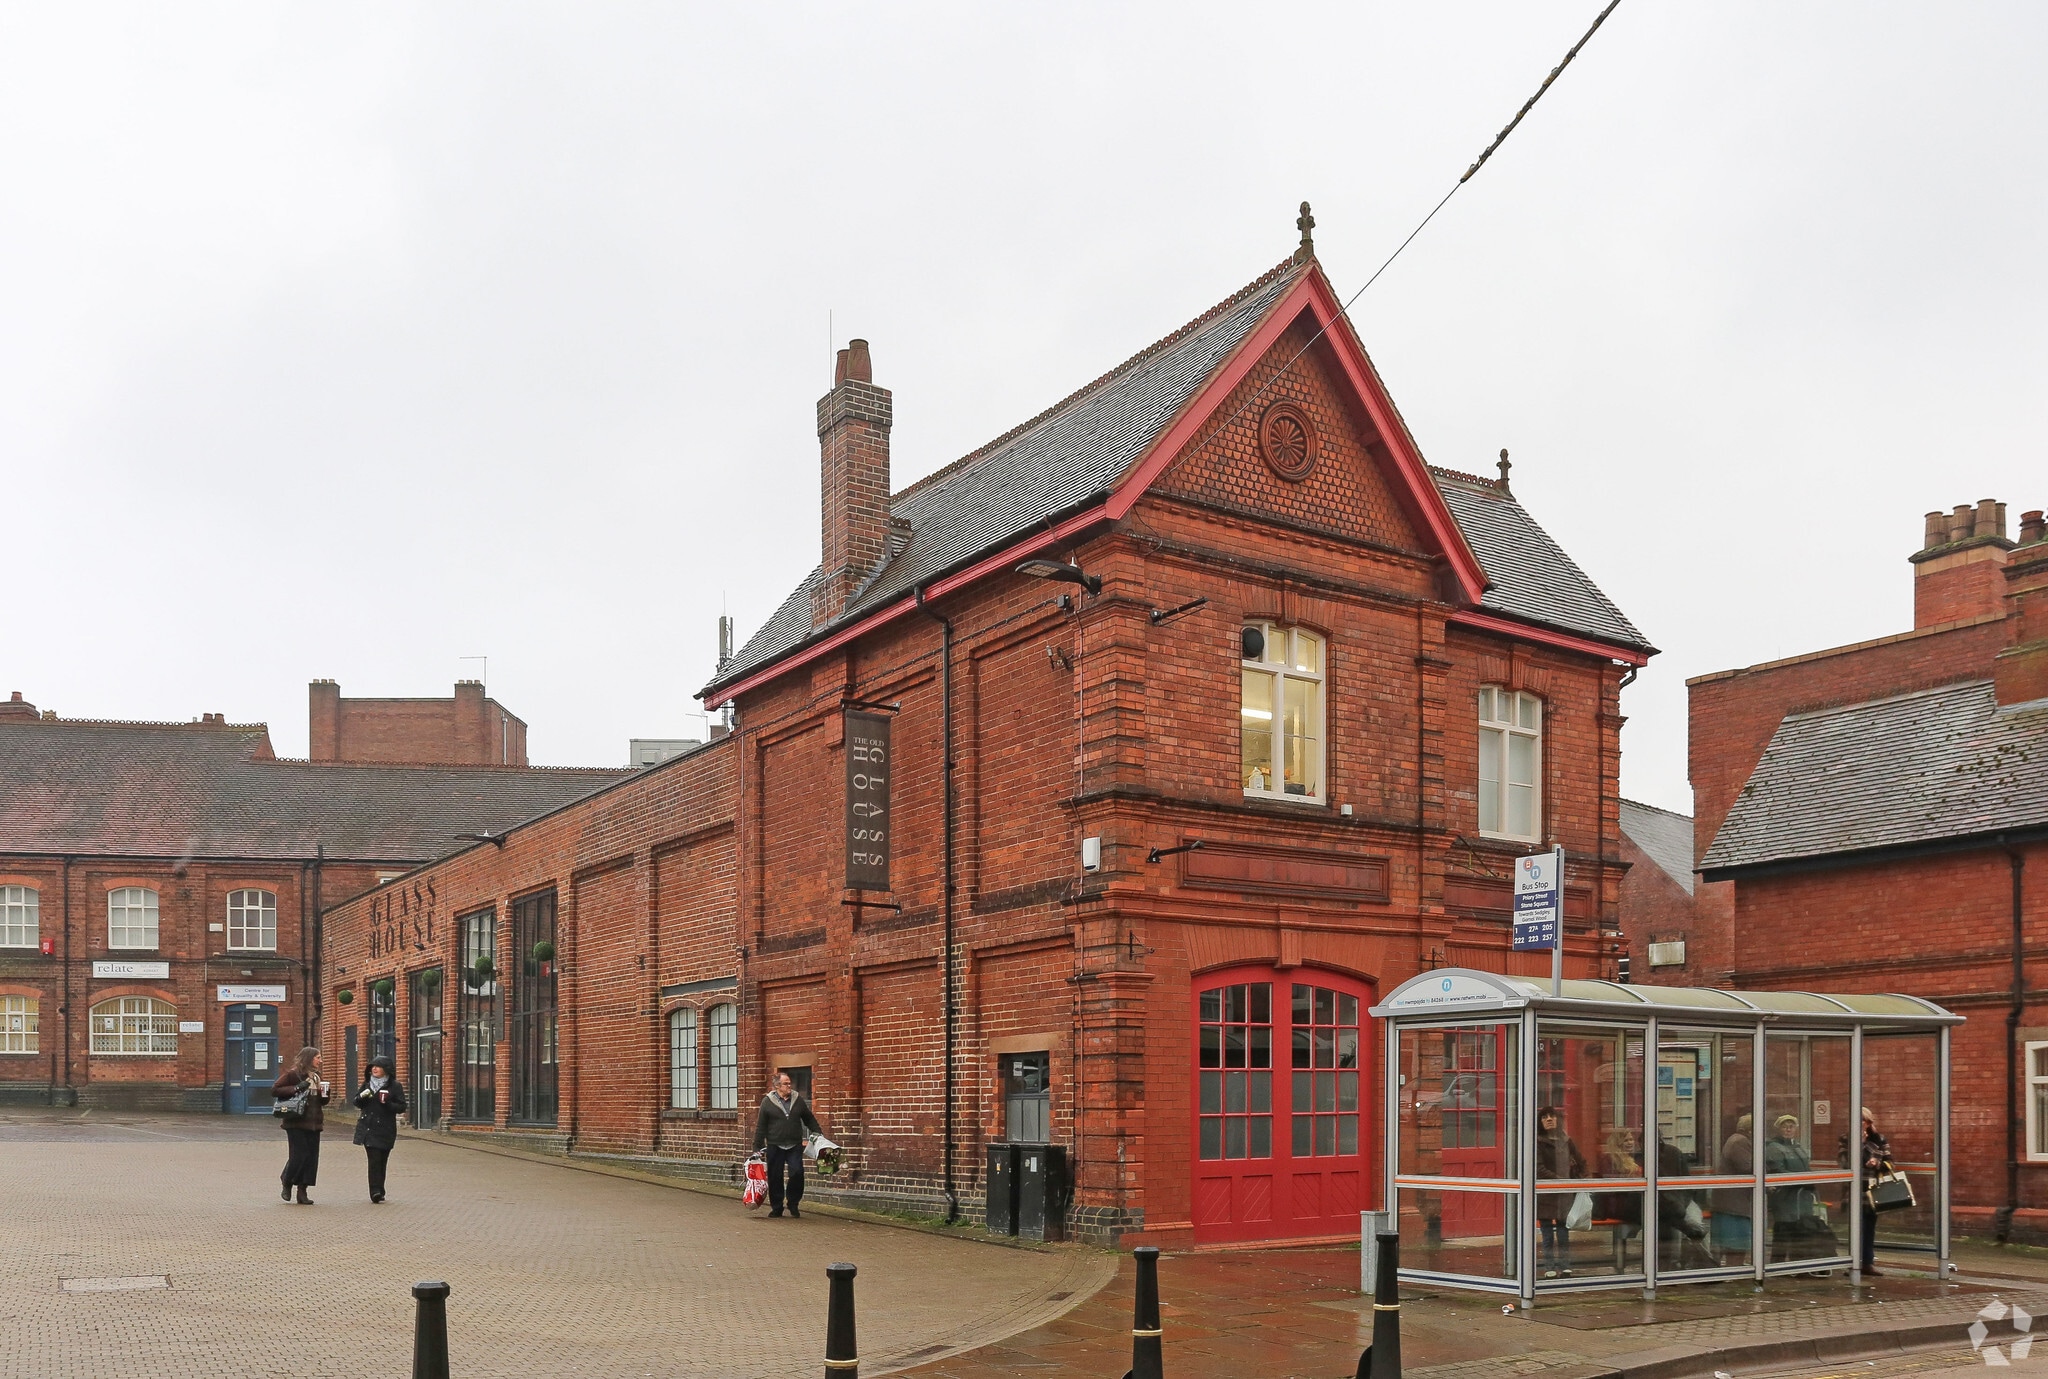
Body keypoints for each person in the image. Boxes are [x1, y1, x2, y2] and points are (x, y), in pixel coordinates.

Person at [752, 1070, 822, 1219]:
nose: (789, 1085)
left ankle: (793, 1203)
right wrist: (757, 1147)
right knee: (775, 1177)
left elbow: (809, 1118)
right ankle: (777, 1207)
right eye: (786, 1083)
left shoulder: (798, 1099)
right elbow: (761, 1126)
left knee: (797, 1173)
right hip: (775, 1145)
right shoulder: (767, 1102)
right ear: (777, 1086)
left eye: (790, 1083)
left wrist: (817, 1133)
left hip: (794, 1145)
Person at [272, 1046, 331, 1205]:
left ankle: (302, 1191)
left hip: (314, 1123)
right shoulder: (293, 1074)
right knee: (299, 1155)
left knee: (311, 1158)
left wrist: (325, 1093)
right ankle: (287, 1181)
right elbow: (275, 1090)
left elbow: (322, 1102)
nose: (320, 1060)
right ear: (309, 1058)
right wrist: (297, 1087)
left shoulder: (318, 1077)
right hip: (295, 1122)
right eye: (318, 1057)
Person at [1534, 1105, 1586, 1278]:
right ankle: (1549, 1267)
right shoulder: (1538, 1142)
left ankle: (1565, 1266)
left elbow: (1581, 1161)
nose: (1549, 1119)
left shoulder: (1566, 1139)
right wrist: (1558, 1179)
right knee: (1547, 1232)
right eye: (1544, 1117)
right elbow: (1539, 1168)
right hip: (1546, 1193)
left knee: (1564, 1231)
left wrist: (1581, 1178)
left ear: (1558, 1119)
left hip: (1564, 1193)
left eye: (1552, 1116)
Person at [352, 1056, 408, 1204]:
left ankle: (380, 1189)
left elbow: (402, 1106)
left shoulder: (395, 1086)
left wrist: (388, 1103)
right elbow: (356, 1101)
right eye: (372, 1066)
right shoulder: (367, 1084)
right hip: (369, 1127)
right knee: (374, 1159)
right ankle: (374, 1191)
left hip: (386, 1129)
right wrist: (363, 1097)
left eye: (378, 1066)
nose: (374, 1069)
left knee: (382, 1160)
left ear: (386, 1069)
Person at [1764, 1113, 1818, 1262]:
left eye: (1791, 1126)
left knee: (1800, 1233)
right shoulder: (1774, 1148)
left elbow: (1806, 1168)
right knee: (1783, 1232)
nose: (1788, 1129)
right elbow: (1777, 1171)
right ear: (1778, 1129)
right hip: (1784, 1198)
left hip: (1801, 1199)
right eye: (1785, 1126)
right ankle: (1777, 1264)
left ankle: (1797, 1264)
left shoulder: (1798, 1146)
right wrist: (1802, 1180)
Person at [1851, 1107, 1891, 1275]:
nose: (1861, 1123)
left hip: (1872, 1189)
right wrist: (1860, 1143)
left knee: (1869, 1227)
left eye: (1864, 1120)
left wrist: (1878, 1164)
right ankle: (1853, 1262)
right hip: (1854, 1189)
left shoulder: (1879, 1139)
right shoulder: (1847, 1138)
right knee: (1855, 1227)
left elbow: (1890, 1162)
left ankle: (1867, 1262)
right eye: (1858, 1119)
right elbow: (1845, 1161)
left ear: (1868, 1123)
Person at [1713, 1114, 1755, 1261]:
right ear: (1750, 1130)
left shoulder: (1735, 1139)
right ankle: (1733, 1270)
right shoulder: (1740, 1142)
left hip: (1731, 1201)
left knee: (1728, 1241)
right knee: (1735, 1242)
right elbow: (1747, 1166)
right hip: (1735, 1204)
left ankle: (1729, 1269)